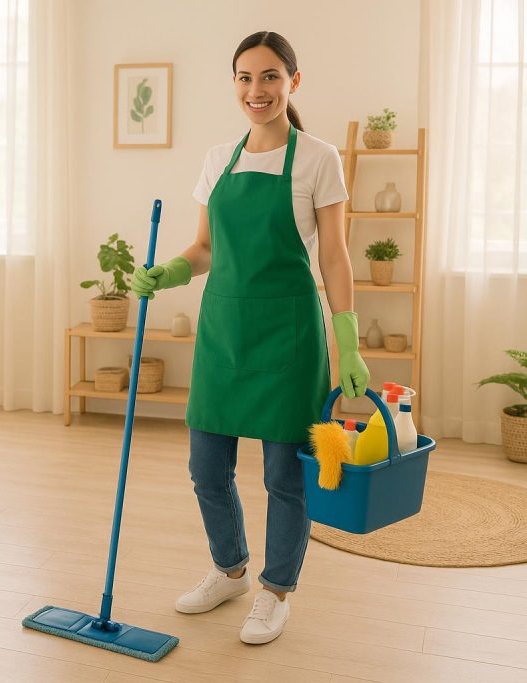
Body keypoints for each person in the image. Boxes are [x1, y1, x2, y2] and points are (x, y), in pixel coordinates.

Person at [131, 31, 370, 645]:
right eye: (244, 77)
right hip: (223, 335)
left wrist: (346, 336)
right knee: (207, 469)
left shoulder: (319, 158)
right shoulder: (219, 158)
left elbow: (336, 259)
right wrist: (169, 271)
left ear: (293, 81)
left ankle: (275, 591)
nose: (255, 90)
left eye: (268, 77)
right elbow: (206, 247)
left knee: (284, 478)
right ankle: (229, 568)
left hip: (288, 335)